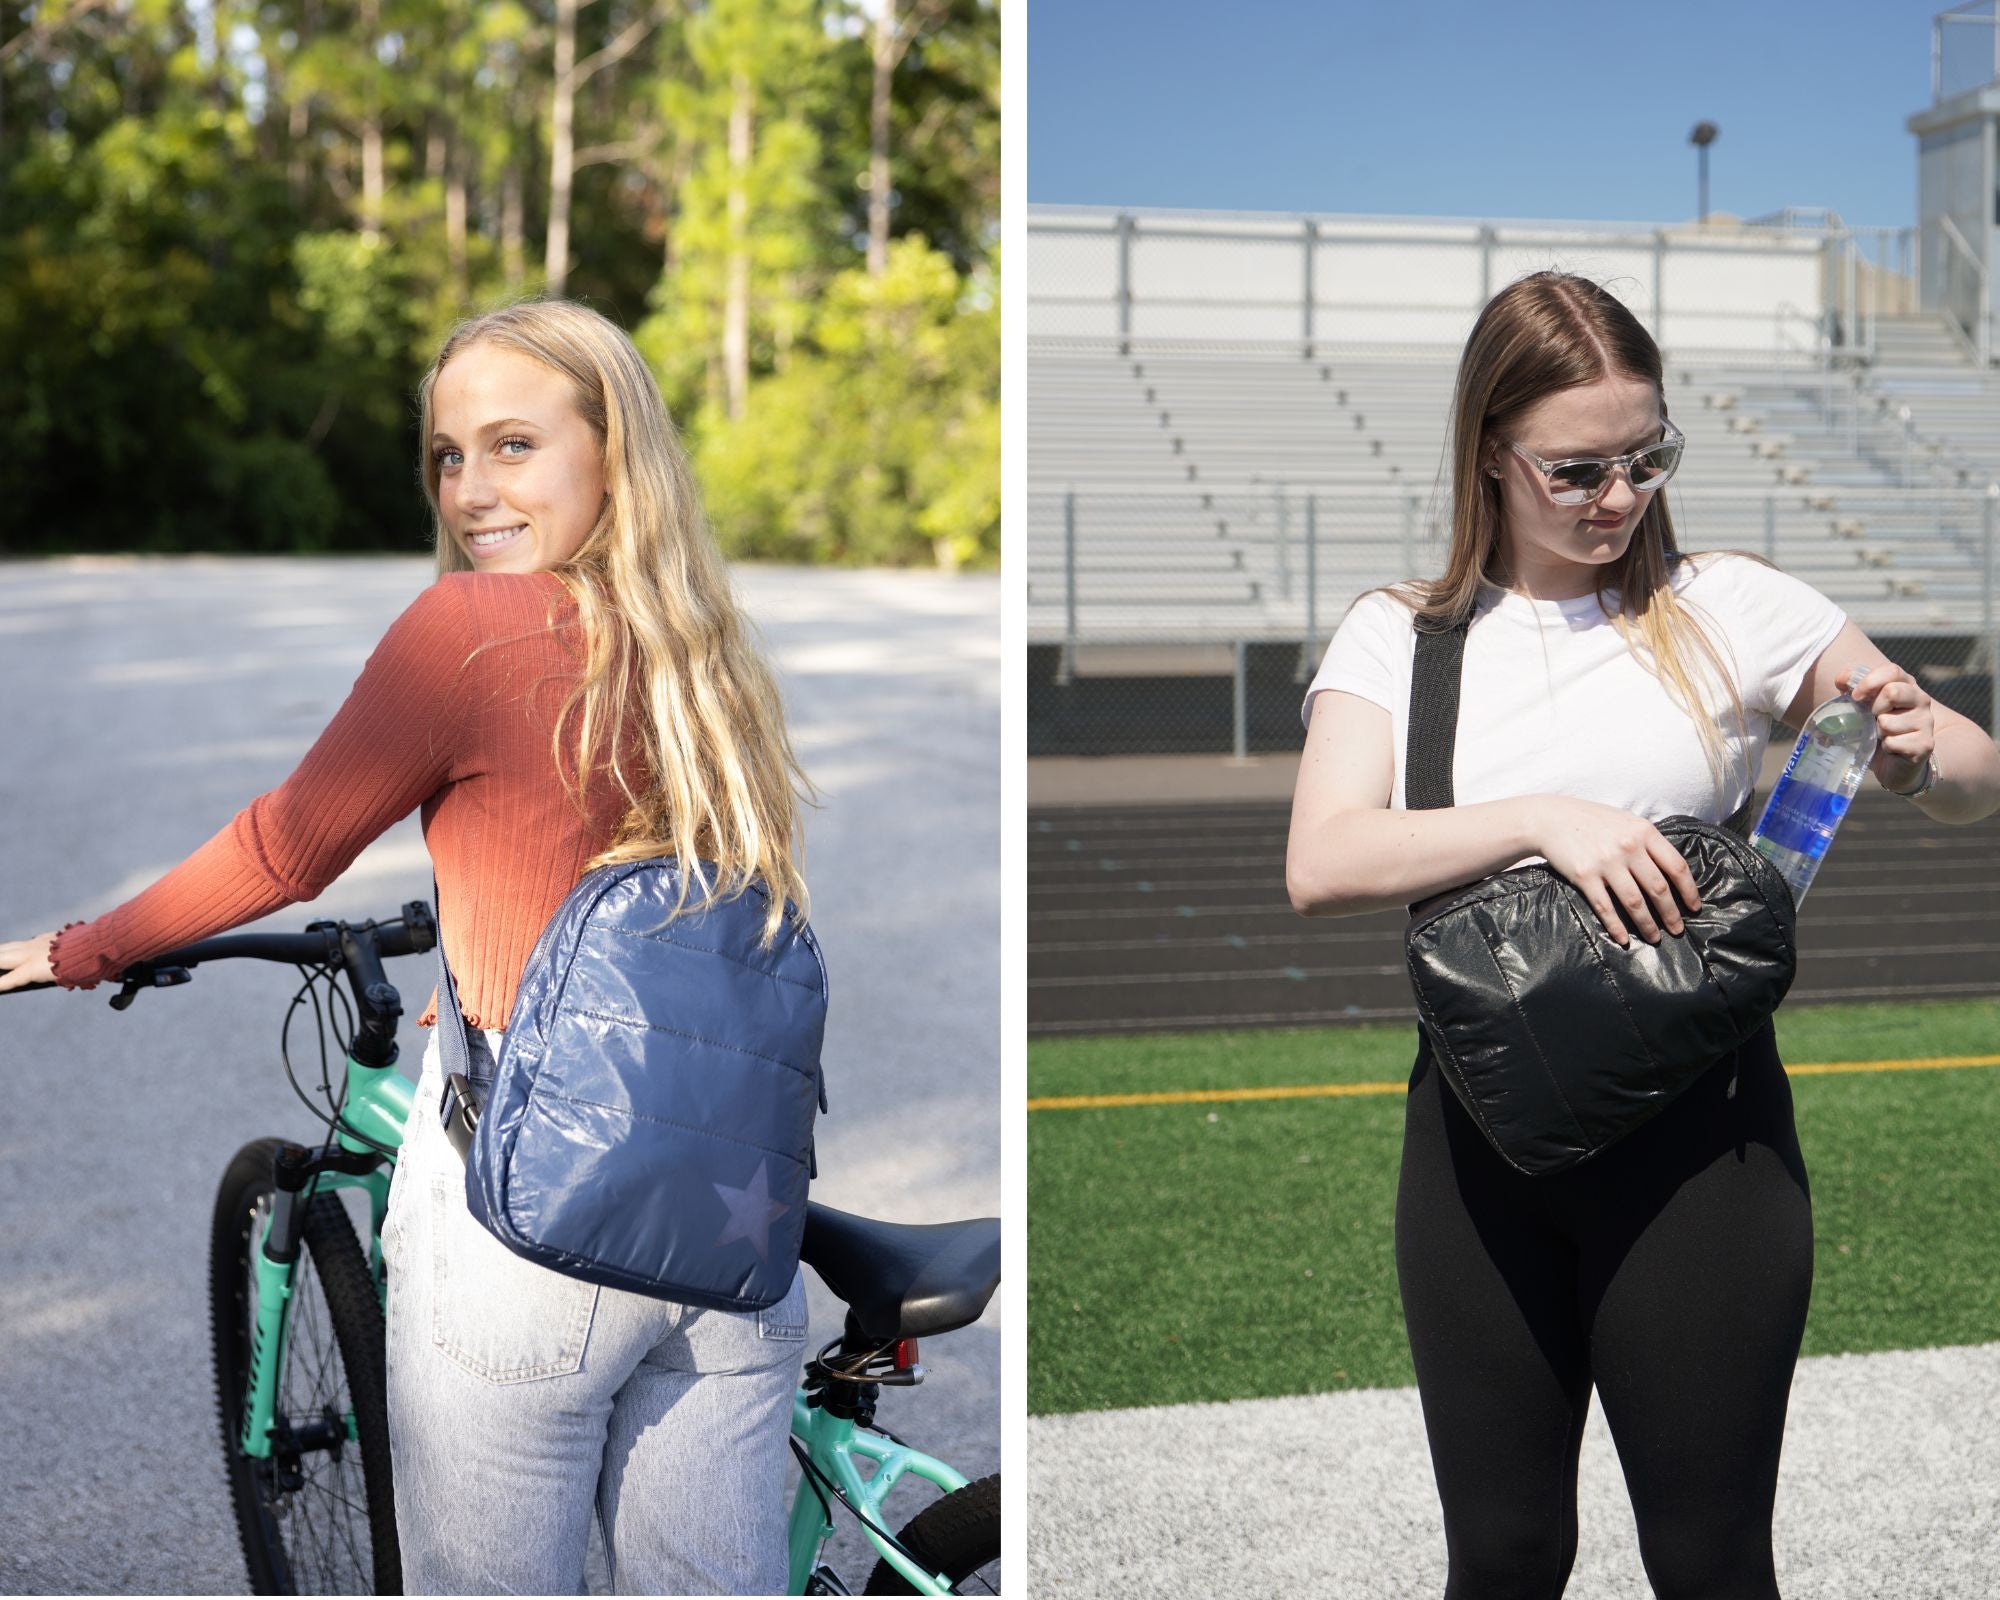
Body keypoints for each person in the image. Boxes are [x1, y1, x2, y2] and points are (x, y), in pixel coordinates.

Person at [0, 299, 815, 1594]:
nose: (469, 490)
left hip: (534, 1223)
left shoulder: (468, 632)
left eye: (511, 446)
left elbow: (286, 849)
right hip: (734, 1232)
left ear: (613, 451)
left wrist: (87, 946)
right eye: (447, 455)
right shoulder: (704, 656)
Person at [1285, 270, 2000, 1599]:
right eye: (1577, 469)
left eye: (1647, 455)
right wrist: (1545, 818)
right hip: (1479, 1141)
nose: (1619, 497)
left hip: (1701, 1149)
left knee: (1712, 1559)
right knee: (1501, 1557)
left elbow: (1975, 773)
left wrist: (1911, 751)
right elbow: (1322, 859)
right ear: (1490, 454)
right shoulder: (1403, 635)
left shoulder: (1735, 604)